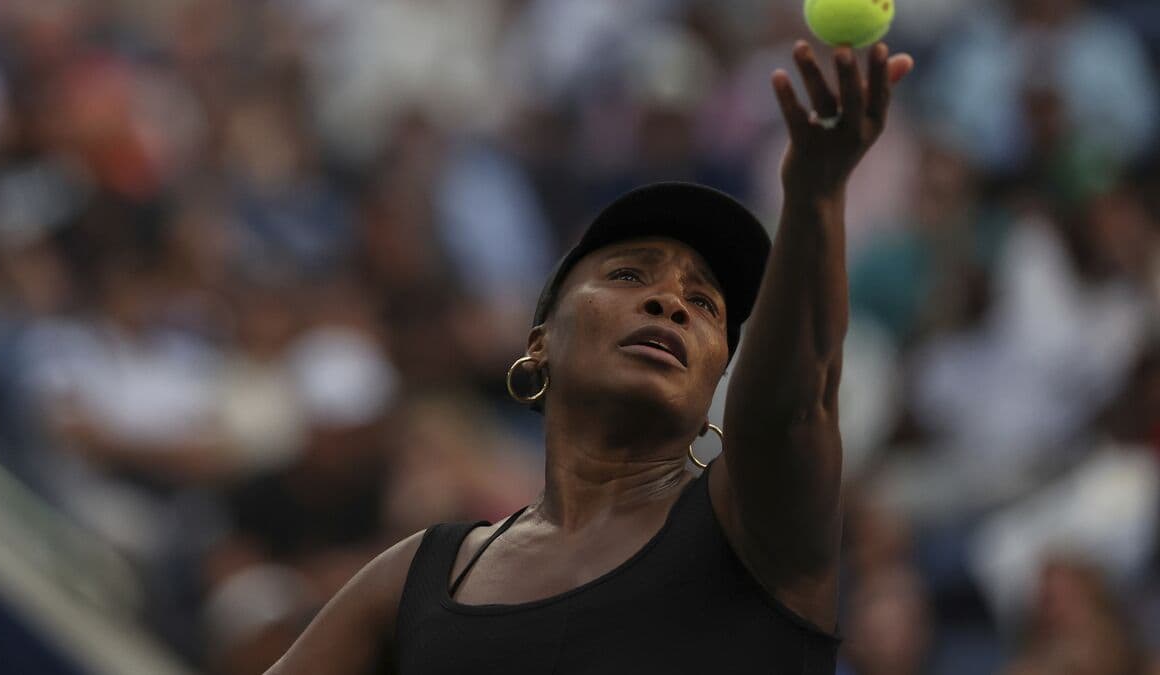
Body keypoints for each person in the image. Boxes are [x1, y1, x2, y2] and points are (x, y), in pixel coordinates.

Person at [265, 40, 914, 674]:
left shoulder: (756, 520)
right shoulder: (416, 577)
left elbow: (792, 405)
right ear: (540, 339)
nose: (671, 302)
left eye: (706, 304)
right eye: (631, 275)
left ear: (720, 376)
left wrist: (814, 198)